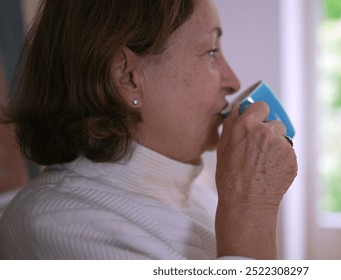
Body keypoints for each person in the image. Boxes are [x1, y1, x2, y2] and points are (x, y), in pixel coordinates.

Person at [0, 0, 297, 259]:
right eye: (210, 52)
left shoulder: (196, 195)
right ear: (128, 78)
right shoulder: (59, 225)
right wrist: (250, 207)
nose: (232, 80)